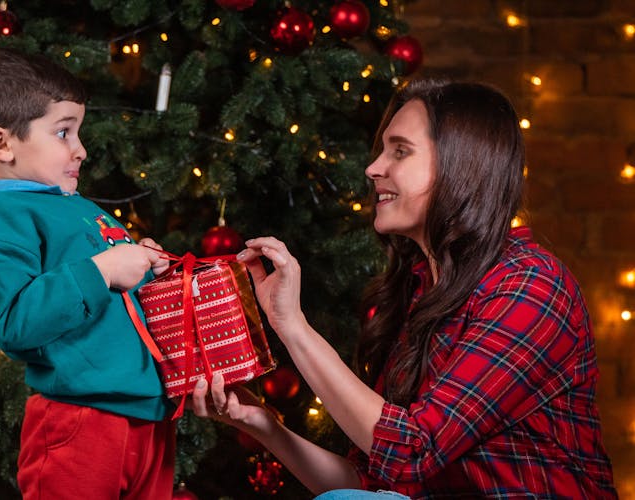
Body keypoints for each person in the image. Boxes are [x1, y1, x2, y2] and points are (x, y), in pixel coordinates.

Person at [191, 79, 618, 498]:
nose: (373, 168)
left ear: (461, 166)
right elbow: (374, 483)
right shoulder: (416, 292)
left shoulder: (530, 287)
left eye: (400, 151)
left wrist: (294, 325)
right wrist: (263, 424)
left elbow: (411, 451)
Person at [0, 47, 175, 499]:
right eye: (63, 132)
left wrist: (146, 264)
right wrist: (104, 269)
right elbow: (13, 320)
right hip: (80, 420)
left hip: (148, 416)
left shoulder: (79, 208)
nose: (81, 149)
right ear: (2, 144)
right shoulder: (1, 216)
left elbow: (115, 292)